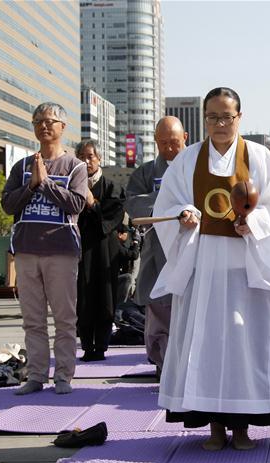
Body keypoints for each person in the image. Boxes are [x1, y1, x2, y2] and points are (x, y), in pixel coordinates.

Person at [150, 87, 270, 450]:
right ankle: (213, 425)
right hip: (203, 264)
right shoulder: (188, 159)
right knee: (206, 343)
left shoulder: (259, 157)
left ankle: (243, 425)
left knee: (245, 344)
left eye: (226, 117)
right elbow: (167, 205)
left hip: (247, 267)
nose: (220, 124)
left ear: (239, 118)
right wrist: (183, 215)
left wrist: (254, 223)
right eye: (213, 117)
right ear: (204, 119)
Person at [2, 102, 88, 395]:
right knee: (33, 320)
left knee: (64, 319)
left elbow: (76, 204)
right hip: (27, 250)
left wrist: (46, 183)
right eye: (38, 121)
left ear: (63, 127)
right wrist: (30, 186)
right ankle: (36, 375)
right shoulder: (21, 166)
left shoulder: (75, 166)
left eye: (50, 121)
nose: (44, 126)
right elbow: (7, 204)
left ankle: (63, 375)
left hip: (61, 251)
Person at [125, 116, 187, 377]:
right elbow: (133, 202)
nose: (169, 148)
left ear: (185, 137)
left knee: (192, 309)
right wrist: (167, 205)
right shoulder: (146, 172)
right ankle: (163, 363)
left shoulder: (199, 166)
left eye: (174, 142)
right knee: (160, 308)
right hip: (158, 250)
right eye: (163, 143)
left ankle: (190, 366)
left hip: (192, 249)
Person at [74, 140, 125, 362]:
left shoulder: (113, 187)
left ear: (99, 159)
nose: (86, 161)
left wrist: (93, 204)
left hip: (105, 250)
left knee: (106, 297)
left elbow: (111, 219)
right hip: (81, 248)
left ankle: (102, 345)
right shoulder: (72, 186)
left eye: (90, 157)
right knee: (83, 297)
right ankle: (87, 345)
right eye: (82, 157)